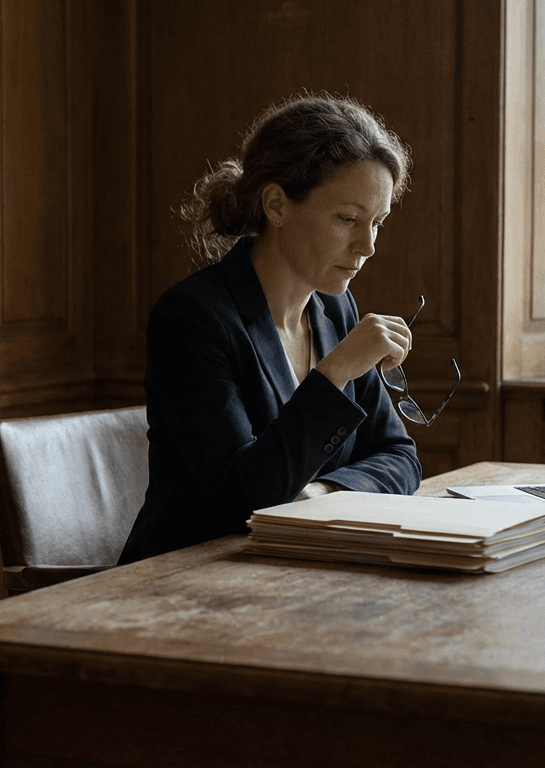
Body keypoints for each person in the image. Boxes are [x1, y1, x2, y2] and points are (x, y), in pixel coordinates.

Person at [117, 92, 423, 565]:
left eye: (377, 222)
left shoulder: (337, 314)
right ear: (277, 205)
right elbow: (241, 497)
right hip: (184, 585)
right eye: (348, 219)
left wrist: (323, 495)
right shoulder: (192, 317)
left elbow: (400, 457)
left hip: (298, 574)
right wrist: (336, 370)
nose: (367, 246)